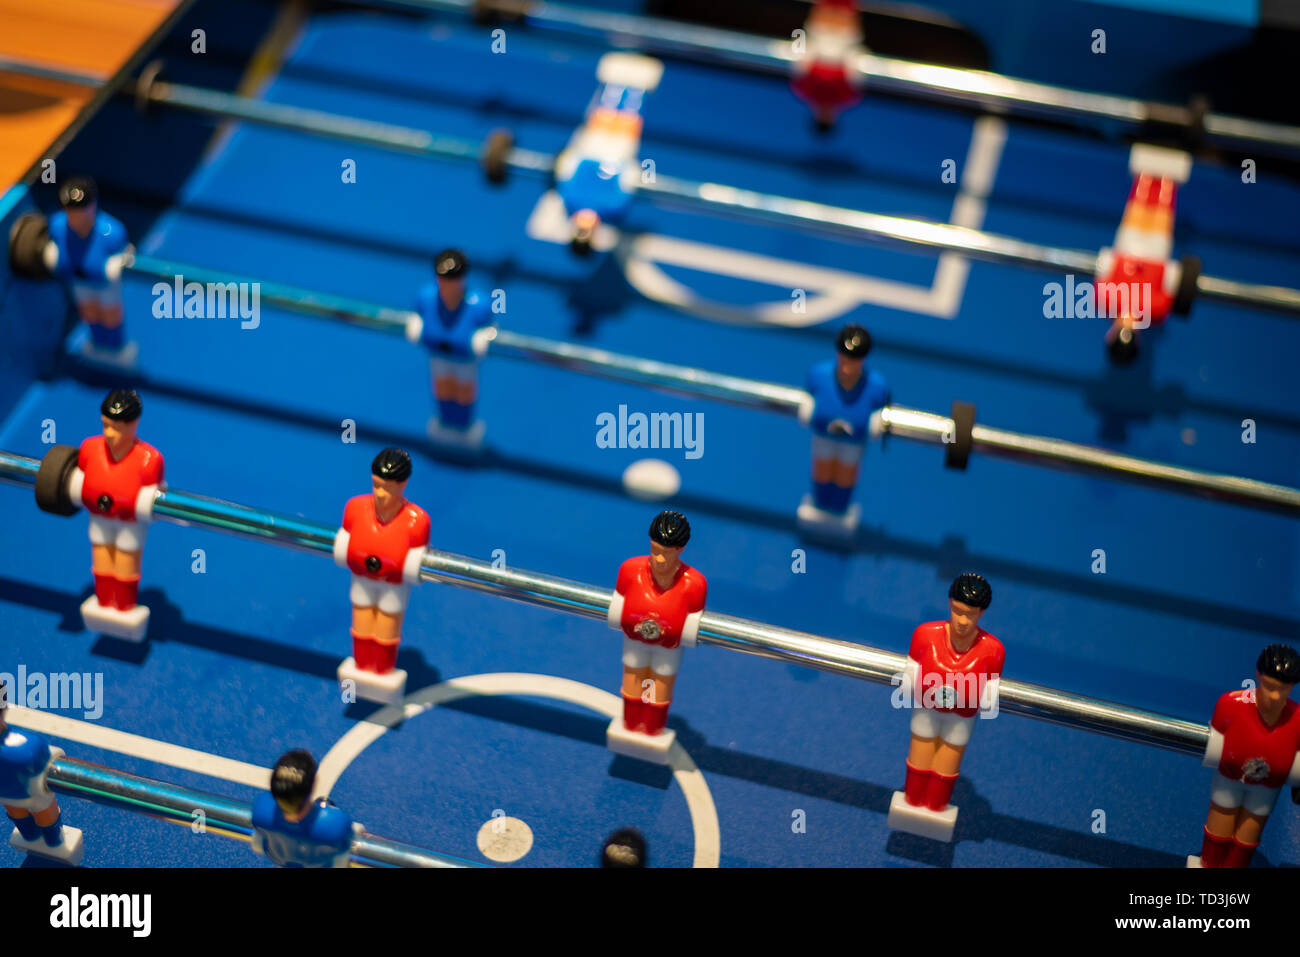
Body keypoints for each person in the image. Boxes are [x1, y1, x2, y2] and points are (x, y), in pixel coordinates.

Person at [889, 573, 1003, 840]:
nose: (963, 621)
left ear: (982, 613)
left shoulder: (993, 651)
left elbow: (988, 701)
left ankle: (936, 809)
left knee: (945, 770)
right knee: (918, 765)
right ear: (949, 603)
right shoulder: (924, 635)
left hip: (960, 721)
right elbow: (907, 684)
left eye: (970, 614)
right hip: (926, 714)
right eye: (957, 611)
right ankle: (913, 804)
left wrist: (956, 696)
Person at [606, 511, 706, 758]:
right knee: (632, 680)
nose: (659, 558)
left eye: (667, 552)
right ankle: (630, 725)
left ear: (680, 549)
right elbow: (616, 609)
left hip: (668, 649)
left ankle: (651, 730)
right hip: (633, 641)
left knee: (659, 684)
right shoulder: (629, 571)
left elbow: (692, 626)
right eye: (655, 550)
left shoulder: (694, 584)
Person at [1194, 643, 1300, 868]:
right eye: (1269, 686)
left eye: (1282, 689)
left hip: (1267, 788)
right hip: (1229, 779)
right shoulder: (1230, 705)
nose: (1273, 696)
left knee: (1248, 834)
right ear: (1258, 676)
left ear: (1291, 687)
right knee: (1221, 820)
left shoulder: (1298, 721)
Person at [336, 448, 430, 699]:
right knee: (362, 624)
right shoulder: (355, 508)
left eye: (387, 488)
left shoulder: (417, 521)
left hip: (393, 586)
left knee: (387, 626)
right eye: (376, 485)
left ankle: (382, 671)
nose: (380, 493)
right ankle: (363, 668)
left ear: (403, 485)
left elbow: (414, 562)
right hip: (362, 580)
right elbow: (343, 543)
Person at [44, 176, 136, 362]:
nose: (75, 217)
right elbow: (53, 244)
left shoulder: (112, 231)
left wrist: (119, 263)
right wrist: (53, 255)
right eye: (70, 211)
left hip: (104, 286)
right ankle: (97, 346)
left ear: (92, 207)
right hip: (78, 282)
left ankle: (116, 350)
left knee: (111, 316)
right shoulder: (57, 225)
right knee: (89, 313)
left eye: (80, 211)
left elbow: (128, 254)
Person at [413, 249, 494, 444]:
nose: (447, 285)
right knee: (442, 389)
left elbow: (491, 328)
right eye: (443, 279)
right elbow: (417, 316)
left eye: (453, 279)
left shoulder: (479, 305)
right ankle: (445, 423)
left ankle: (464, 428)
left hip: (464, 361)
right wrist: (417, 326)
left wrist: (484, 337)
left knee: (464, 394)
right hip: (438, 356)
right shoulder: (426, 297)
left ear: (463, 280)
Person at [0, 680, 83, 864]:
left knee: (18, 814)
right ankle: (54, 841)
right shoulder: (28, 745)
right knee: (46, 813)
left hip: (6, 796)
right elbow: (42, 757)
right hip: (33, 792)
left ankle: (30, 836)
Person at [251, 750, 356, 868]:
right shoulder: (336, 823)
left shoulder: (261, 809)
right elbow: (348, 845)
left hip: (280, 859)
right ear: (313, 785)